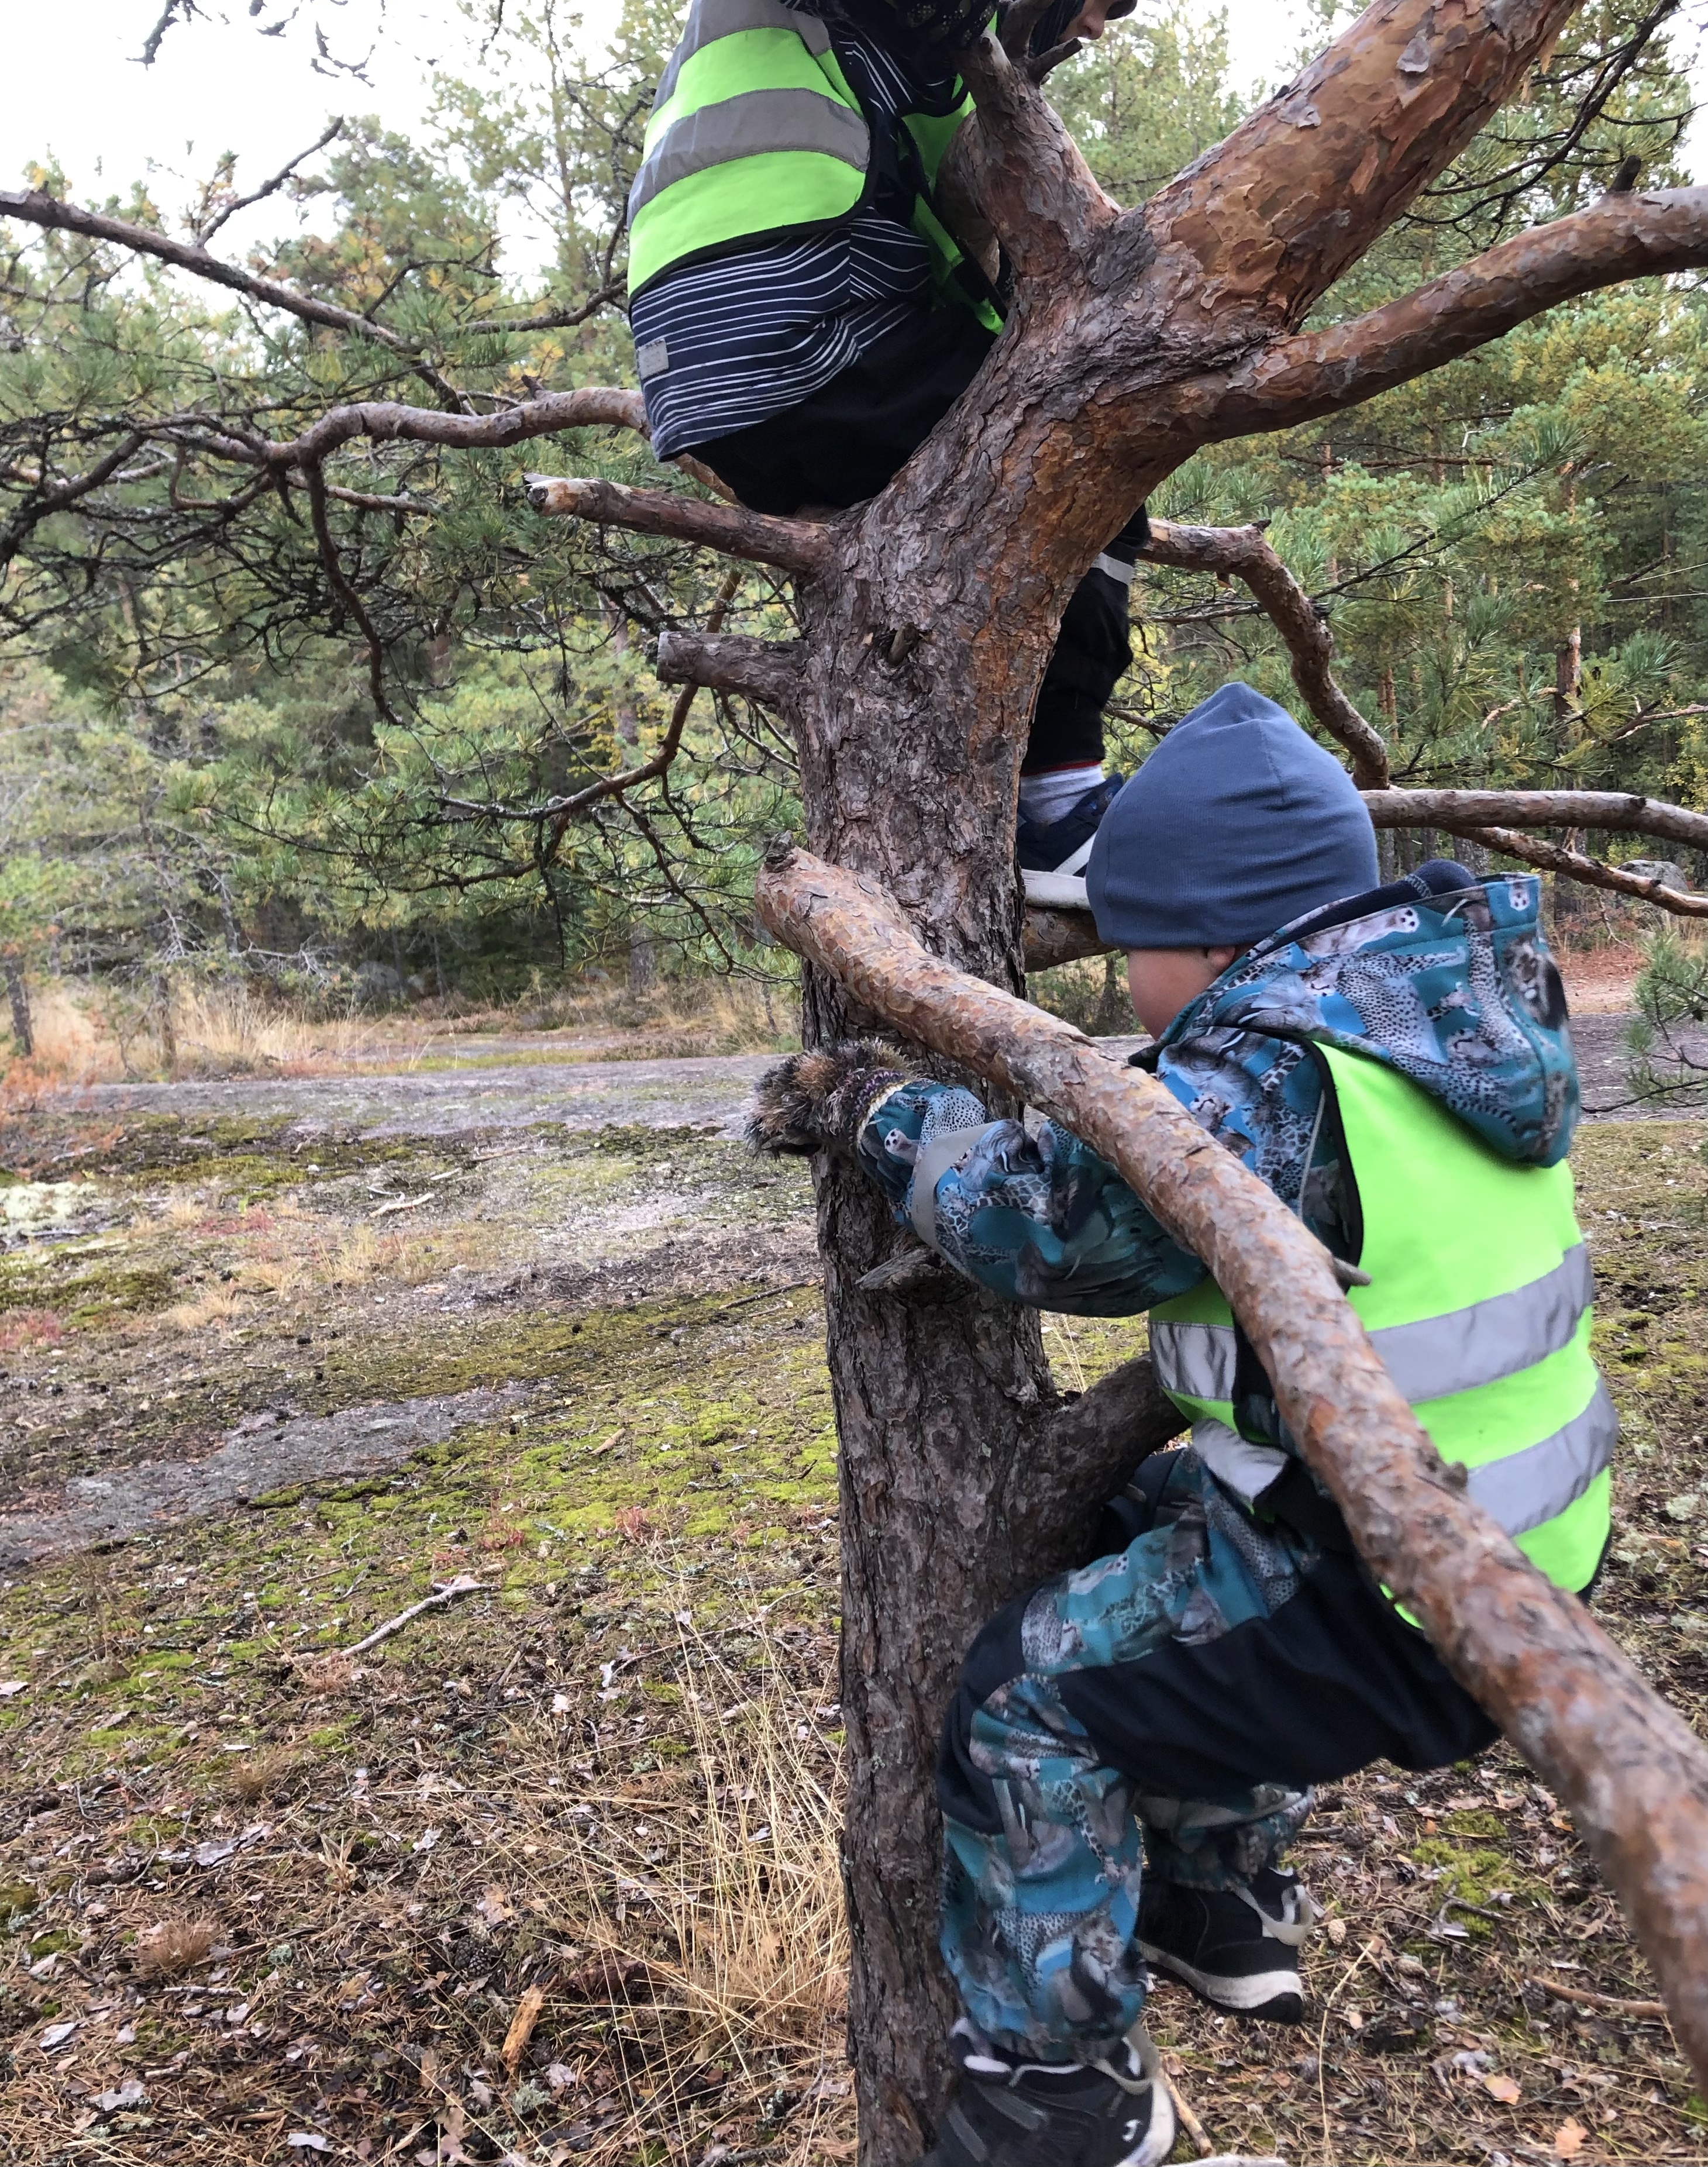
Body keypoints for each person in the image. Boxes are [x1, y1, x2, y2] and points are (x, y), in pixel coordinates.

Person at [748, 681, 1611, 2167]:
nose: (1121, 978)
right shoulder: (1435, 1015)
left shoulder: (1267, 1074)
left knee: (1024, 1699)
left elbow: (1041, 1222)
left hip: (1393, 1595)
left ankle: (1062, 2091)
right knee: (1133, 1522)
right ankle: (1218, 1897)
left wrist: (870, 1109)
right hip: (1508, 1544)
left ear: (1211, 941)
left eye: (1129, 947)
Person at [626, 0, 1148, 905]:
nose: (1099, 28)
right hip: (806, 320)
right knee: (1094, 457)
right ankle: (1059, 808)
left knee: (933, 549)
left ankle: (969, 791)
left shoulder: (854, 56)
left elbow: (960, 248)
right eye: (1106, 1)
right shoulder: (906, 38)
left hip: (699, 380)